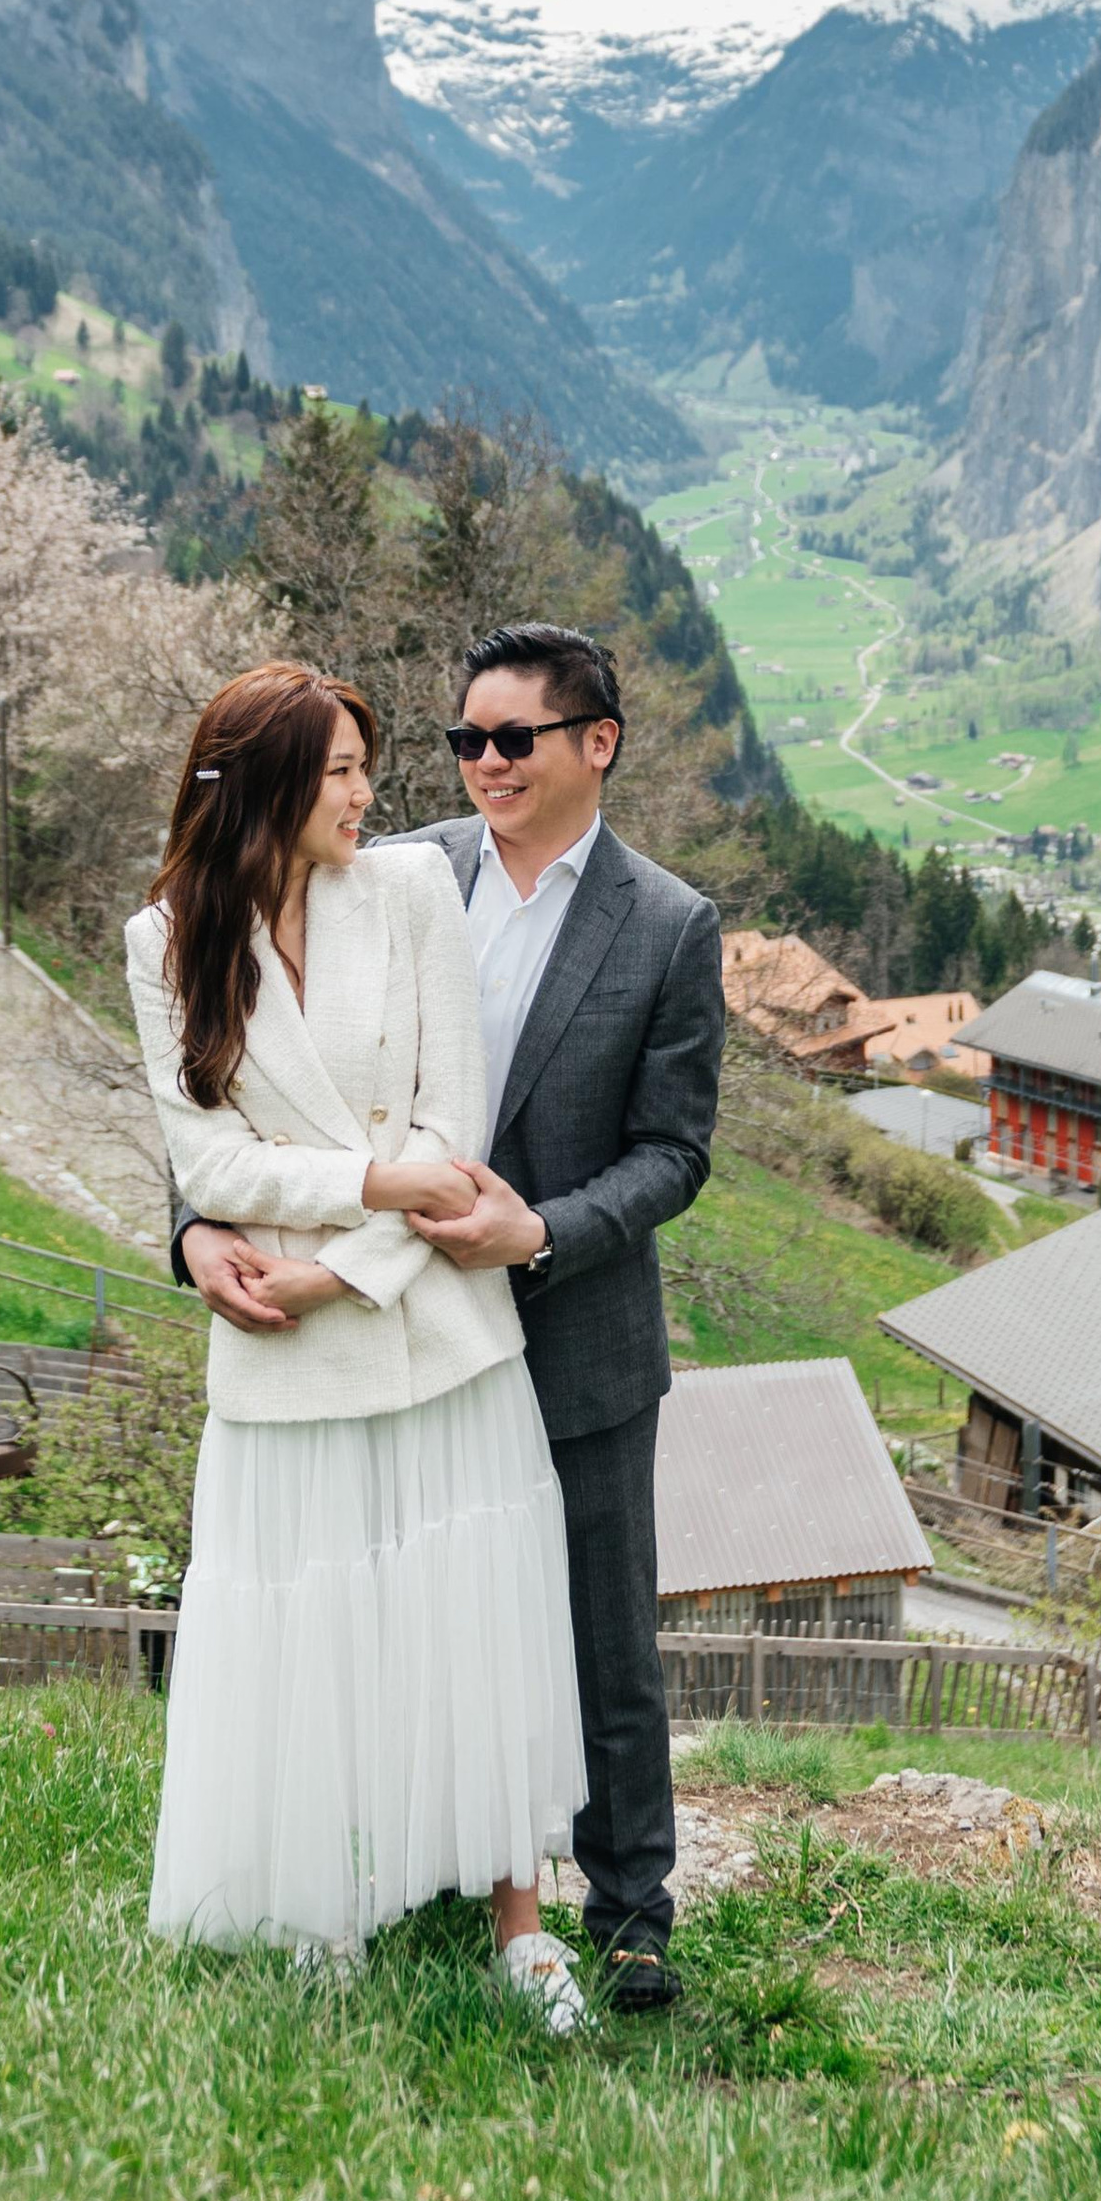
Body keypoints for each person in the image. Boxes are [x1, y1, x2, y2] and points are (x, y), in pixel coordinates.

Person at [175, 622, 724, 2011]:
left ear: (596, 742)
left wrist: (541, 1230)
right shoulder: (396, 866)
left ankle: (632, 1913)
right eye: (466, 738)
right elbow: (245, 1083)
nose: (485, 761)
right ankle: (424, 1865)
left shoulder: (669, 924)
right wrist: (192, 1231)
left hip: (571, 1319)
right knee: (415, 1610)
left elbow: (675, 1152)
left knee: (600, 1637)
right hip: (385, 1318)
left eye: (513, 738)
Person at [127, 659, 590, 2029]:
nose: (366, 793)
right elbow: (209, 1158)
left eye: (363, 767)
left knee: (471, 1622)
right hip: (281, 1351)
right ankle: (321, 1907)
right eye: (338, 770)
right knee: (311, 1633)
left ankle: (522, 1931)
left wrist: (343, 1263)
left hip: (435, 1328)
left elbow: (457, 1127)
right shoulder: (165, 940)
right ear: (270, 784)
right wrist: (373, 1185)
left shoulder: (409, 891)